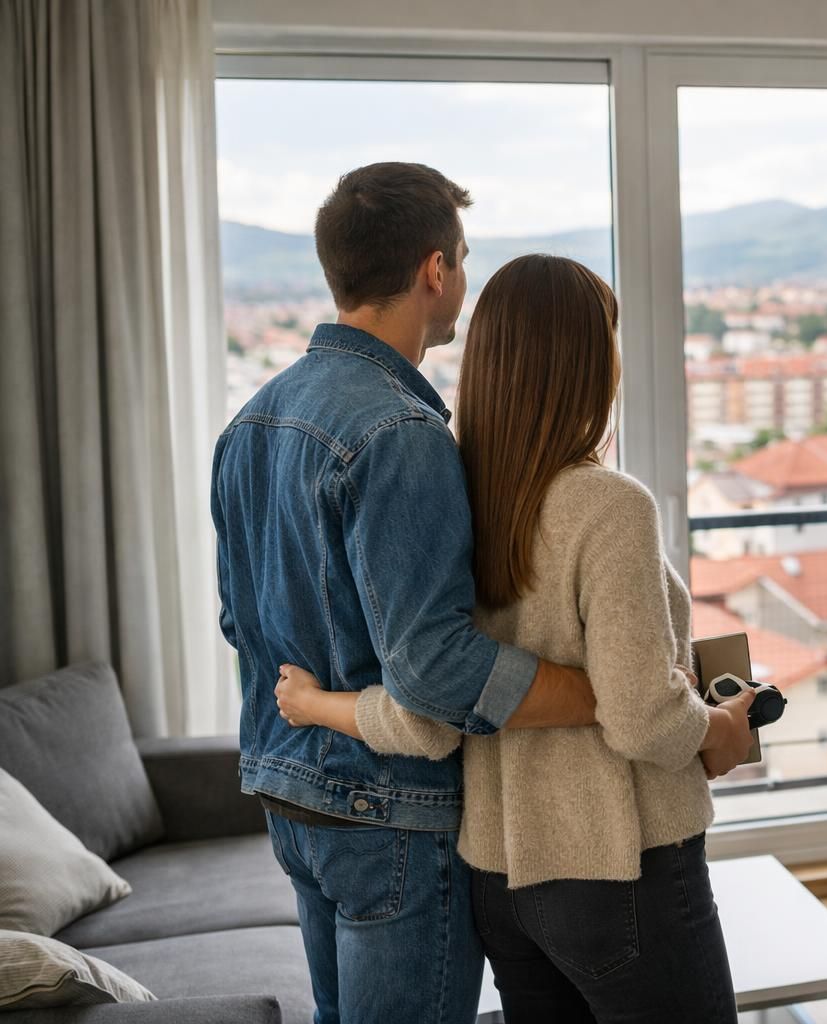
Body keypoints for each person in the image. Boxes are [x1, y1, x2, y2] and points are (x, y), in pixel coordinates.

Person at [273, 253, 755, 1024]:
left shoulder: (451, 501)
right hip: (621, 866)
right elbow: (642, 716)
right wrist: (720, 730)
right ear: (589, 365)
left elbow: (429, 712)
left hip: (502, 886)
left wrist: (316, 705)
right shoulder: (607, 507)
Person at [211, 163, 601, 1024]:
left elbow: (241, 621)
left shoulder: (249, 423)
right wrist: (597, 694)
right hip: (386, 813)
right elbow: (434, 667)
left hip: (290, 796)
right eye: (461, 258)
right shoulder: (402, 433)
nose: (460, 277)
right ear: (435, 271)